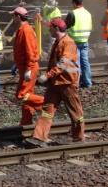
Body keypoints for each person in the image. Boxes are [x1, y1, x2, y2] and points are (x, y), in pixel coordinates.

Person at [29, 18, 85, 146]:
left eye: (50, 27)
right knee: (47, 110)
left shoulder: (68, 43)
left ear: (56, 28)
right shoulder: (59, 41)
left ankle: (78, 136)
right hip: (55, 83)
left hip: (67, 83)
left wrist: (48, 76)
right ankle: (39, 137)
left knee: (75, 111)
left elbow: (63, 63)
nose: (48, 29)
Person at [11, 6, 44, 125]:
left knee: (22, 95)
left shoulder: (26, 30)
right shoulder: (23, 29)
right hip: (24, 67)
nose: (12, 18)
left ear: (18, 17)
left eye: (14, 16)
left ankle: (47, 103)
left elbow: (30, 52)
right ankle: (26, 122)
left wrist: (28, 69)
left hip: (28, 67)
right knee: (28, 95)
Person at [66, 0, 93, 88]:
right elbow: (90, 27)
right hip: (85, 40)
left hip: (74, 41)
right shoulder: (88, 13)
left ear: (74, 3)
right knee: (85, 62)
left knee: (76, 62)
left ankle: (76, 82)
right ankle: (88, 82)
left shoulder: (72, 13)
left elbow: (65, 27)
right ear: (82, 3)